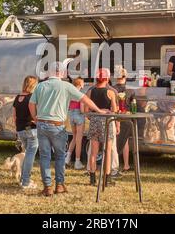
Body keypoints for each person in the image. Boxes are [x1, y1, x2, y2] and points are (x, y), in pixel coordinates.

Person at [29, 62, 107, 196]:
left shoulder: (40, 86)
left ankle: (47, 187)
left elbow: (31, 104)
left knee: (45, 157)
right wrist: (99, 110)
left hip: (42, 124)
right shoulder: (66, 86)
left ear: (50, 73)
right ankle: (59, 185)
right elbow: (85, 99)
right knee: (59, 156)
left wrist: (35, 118)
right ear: (62, 73)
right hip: (57, 125)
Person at [86, 68, 120, 187]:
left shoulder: (90, 91)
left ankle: (92, 179)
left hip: (94, 121)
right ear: (107, 78)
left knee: (93, 153)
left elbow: (86, 111)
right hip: (107, 122)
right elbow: (114, 111)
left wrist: (94, 116)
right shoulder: (110, 92)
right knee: (107, 152)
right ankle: (107, 179)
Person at [13, 76, 39, 189]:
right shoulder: (32, 98)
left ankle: (24, 178)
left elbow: (14, 116)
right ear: (33, 85)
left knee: (26, 154)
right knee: (30, 156)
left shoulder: (17, 97)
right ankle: (26, 182)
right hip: (31, 129)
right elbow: (34, 116)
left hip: (20, 130)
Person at [112, 67, 133, 173]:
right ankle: (125, 165)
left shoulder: (111, 89)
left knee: (113, 142)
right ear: (126, 77)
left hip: (113, 117)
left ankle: (114, 165)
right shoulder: (130, 90)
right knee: (125, 141)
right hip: (126, 118)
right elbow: (133, 106)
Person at [65, 77, 85, 170]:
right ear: (80, 84)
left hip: (71, 115)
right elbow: (81, 109)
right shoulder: (80, 94)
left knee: (74, 137)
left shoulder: (70, 94)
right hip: (79, 115)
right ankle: (77, 161)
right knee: (79, 139)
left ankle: (67, 158)